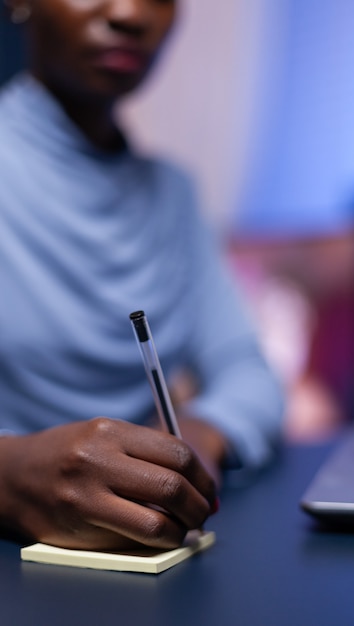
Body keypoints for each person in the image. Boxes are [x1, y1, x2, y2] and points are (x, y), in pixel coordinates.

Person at [0, 0, 283, 551]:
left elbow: (249, 372)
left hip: (153, 553)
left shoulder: (173, 193)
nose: (130, 13)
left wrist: (195, 440)